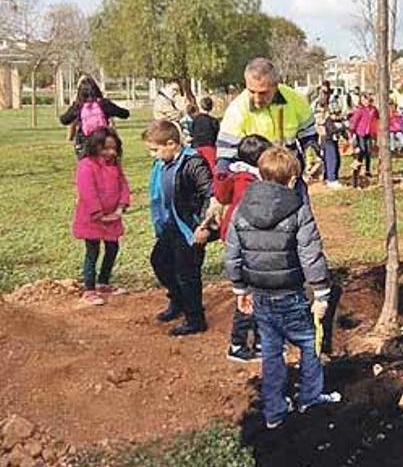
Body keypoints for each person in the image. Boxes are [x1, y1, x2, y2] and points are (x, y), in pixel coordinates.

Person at [225, 147, 341, 429]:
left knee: (272, 352)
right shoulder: (298, 210)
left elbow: (232, 252)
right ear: (291, 180)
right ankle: (310, 396)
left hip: (261, 296)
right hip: (291, 294)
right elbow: (310, 253)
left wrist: (240, 289)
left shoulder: (241, 209)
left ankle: (274, 411)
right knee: (309, 343)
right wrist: (321, 292)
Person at [144, 120, 214, 336]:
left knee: (187, 273)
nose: (153, 155)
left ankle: (195, 319)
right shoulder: (162, 164)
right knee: (160, 261)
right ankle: (178, 301)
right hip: (170, 226)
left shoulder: (193, 163)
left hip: (190, 228)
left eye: (155, 150)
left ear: (172, 143)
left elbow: (210, 195)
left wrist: (204, 227)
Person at [214, 134, 273, 362]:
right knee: (252, 295)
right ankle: (239, 344)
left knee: (257, 293)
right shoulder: (251, 184)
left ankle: (258, 342)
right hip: (246, 243)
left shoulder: (237, 176)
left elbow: (221, 195)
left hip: (239, 240)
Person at [217, 58, 319, 177]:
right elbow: (225, 158)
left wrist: (311, 154)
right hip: (255, 181)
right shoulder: (236, 110)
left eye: (263, 93)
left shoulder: (295, 99)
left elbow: (308, 133)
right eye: (251, 91)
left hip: (290, 176)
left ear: (276, 86)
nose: (257, 99)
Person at [72, 128, 130, 306]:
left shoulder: (115, 164)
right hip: (93, 219)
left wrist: (121, 207)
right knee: (93, 252)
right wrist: (98, 214)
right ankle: (89, 289)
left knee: (112, 248)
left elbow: (123, 185)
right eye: (105, 149)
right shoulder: (87, 165)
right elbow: (87, 191)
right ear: (95, 146)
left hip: (112, 217)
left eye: (113, 148)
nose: (110, 152)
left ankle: (103, 282)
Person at [60, 76, 130, 159]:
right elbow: (125, 114)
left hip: (85, 144)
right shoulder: (104, 104)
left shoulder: (78, 106)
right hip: (104, 141)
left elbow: (64, 120)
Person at [349, 91, 379, 177]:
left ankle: (367, 170)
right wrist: (351, 132)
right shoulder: (360, 110)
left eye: (366, 100)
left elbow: (378, 117)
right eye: (363, 100)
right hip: (360, 133)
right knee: (362, 150)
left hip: (369, 133)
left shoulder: (373, 109)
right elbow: (354, 121)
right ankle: (357, 167)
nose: (365, 102)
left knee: (368, 151)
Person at [190, 97, 220, 173]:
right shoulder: (214, 121)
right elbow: (217, 134)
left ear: (200, 106)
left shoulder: (195, 120)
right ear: (211, 107)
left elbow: (192, 133)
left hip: (196, 146)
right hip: (209, 146)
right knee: (211, 168)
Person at [322, 106, 346, 189]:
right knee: (331, 159)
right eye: (335, 114)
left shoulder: (340, 122)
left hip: (334, 142)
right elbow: (331, 130)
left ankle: (334, 177)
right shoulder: (328, 121)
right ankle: (331, 180)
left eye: (338, 113)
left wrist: (346, 137)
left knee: (337, 160)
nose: (336, 116)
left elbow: (344, 131)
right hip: (328, 142)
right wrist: (339, 129)